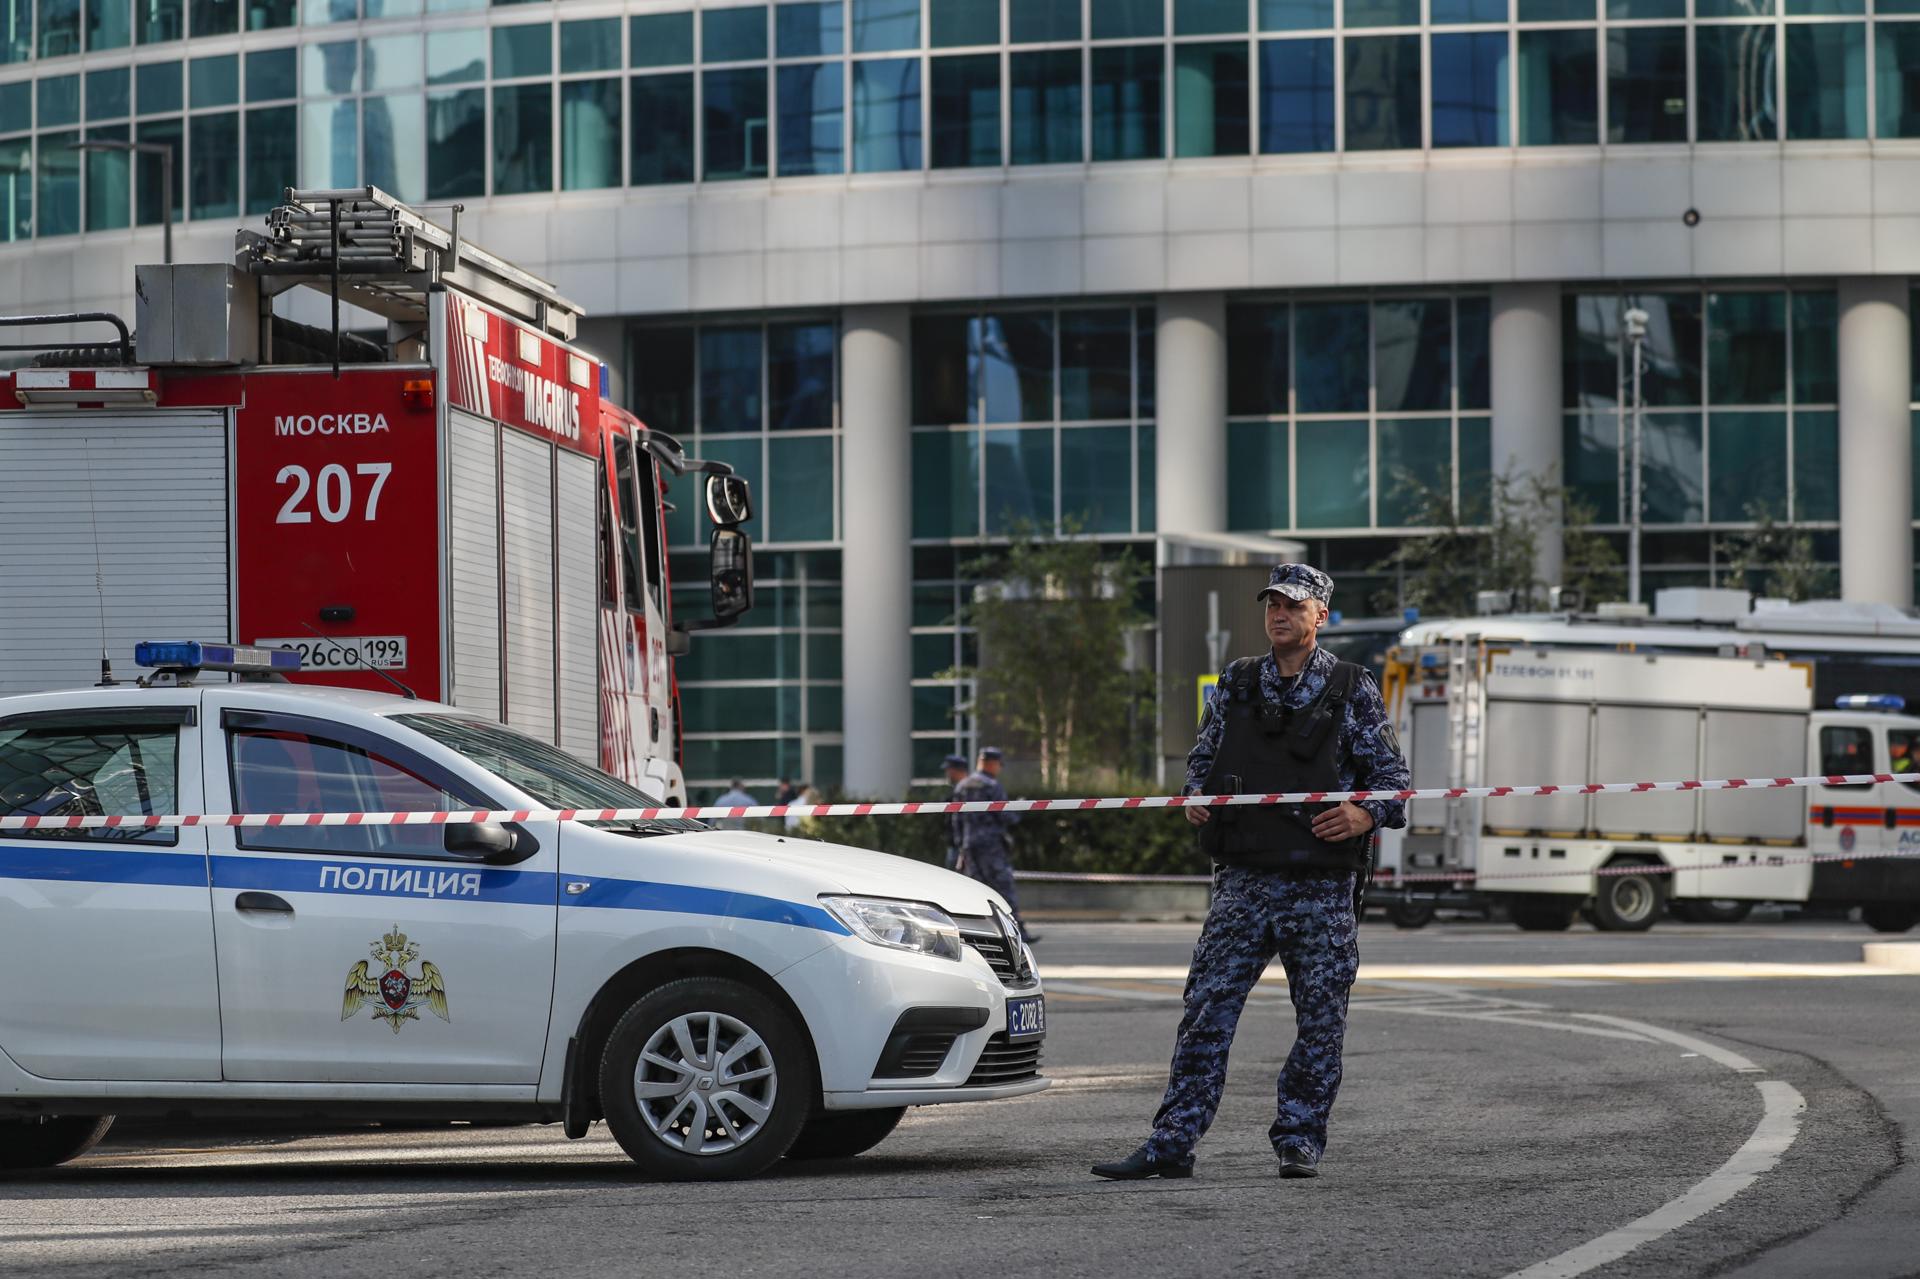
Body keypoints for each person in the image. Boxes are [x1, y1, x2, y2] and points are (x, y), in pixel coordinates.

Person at [1093, 563, 1409, 1183]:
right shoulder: (1237, 683)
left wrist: (1363, 814)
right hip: (1243, 883)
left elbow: (1394, 785)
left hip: (1319, 886)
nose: (1278, 614)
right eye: (1272, 604)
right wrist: (1195, 797)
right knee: (1206, 1012)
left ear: (1320, 614)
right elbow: (1203, 760)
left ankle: (1299, 1138)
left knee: (1320, 1017)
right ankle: (1172, 1143)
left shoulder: (1351, 686)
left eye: (1293, 605)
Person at [953, 747, 1039, 943]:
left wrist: (961, 846)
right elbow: (1006, 816)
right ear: (991, 763)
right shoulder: (992, 786)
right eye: (999, 764)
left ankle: (974, 935)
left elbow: (955, 820)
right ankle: (1019, 934)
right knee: (1004, 889)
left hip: (969, 848)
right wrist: (1020, 808)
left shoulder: (962, 786)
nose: (999, 769)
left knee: (974, 891)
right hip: (991, 848)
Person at [941, 753, 970, 870]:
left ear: (957, 770)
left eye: (949, 770)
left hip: (963, 847)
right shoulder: (957, 790)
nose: (947, 774)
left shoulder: (967, 791)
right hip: (955, 845)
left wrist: (962, 847)